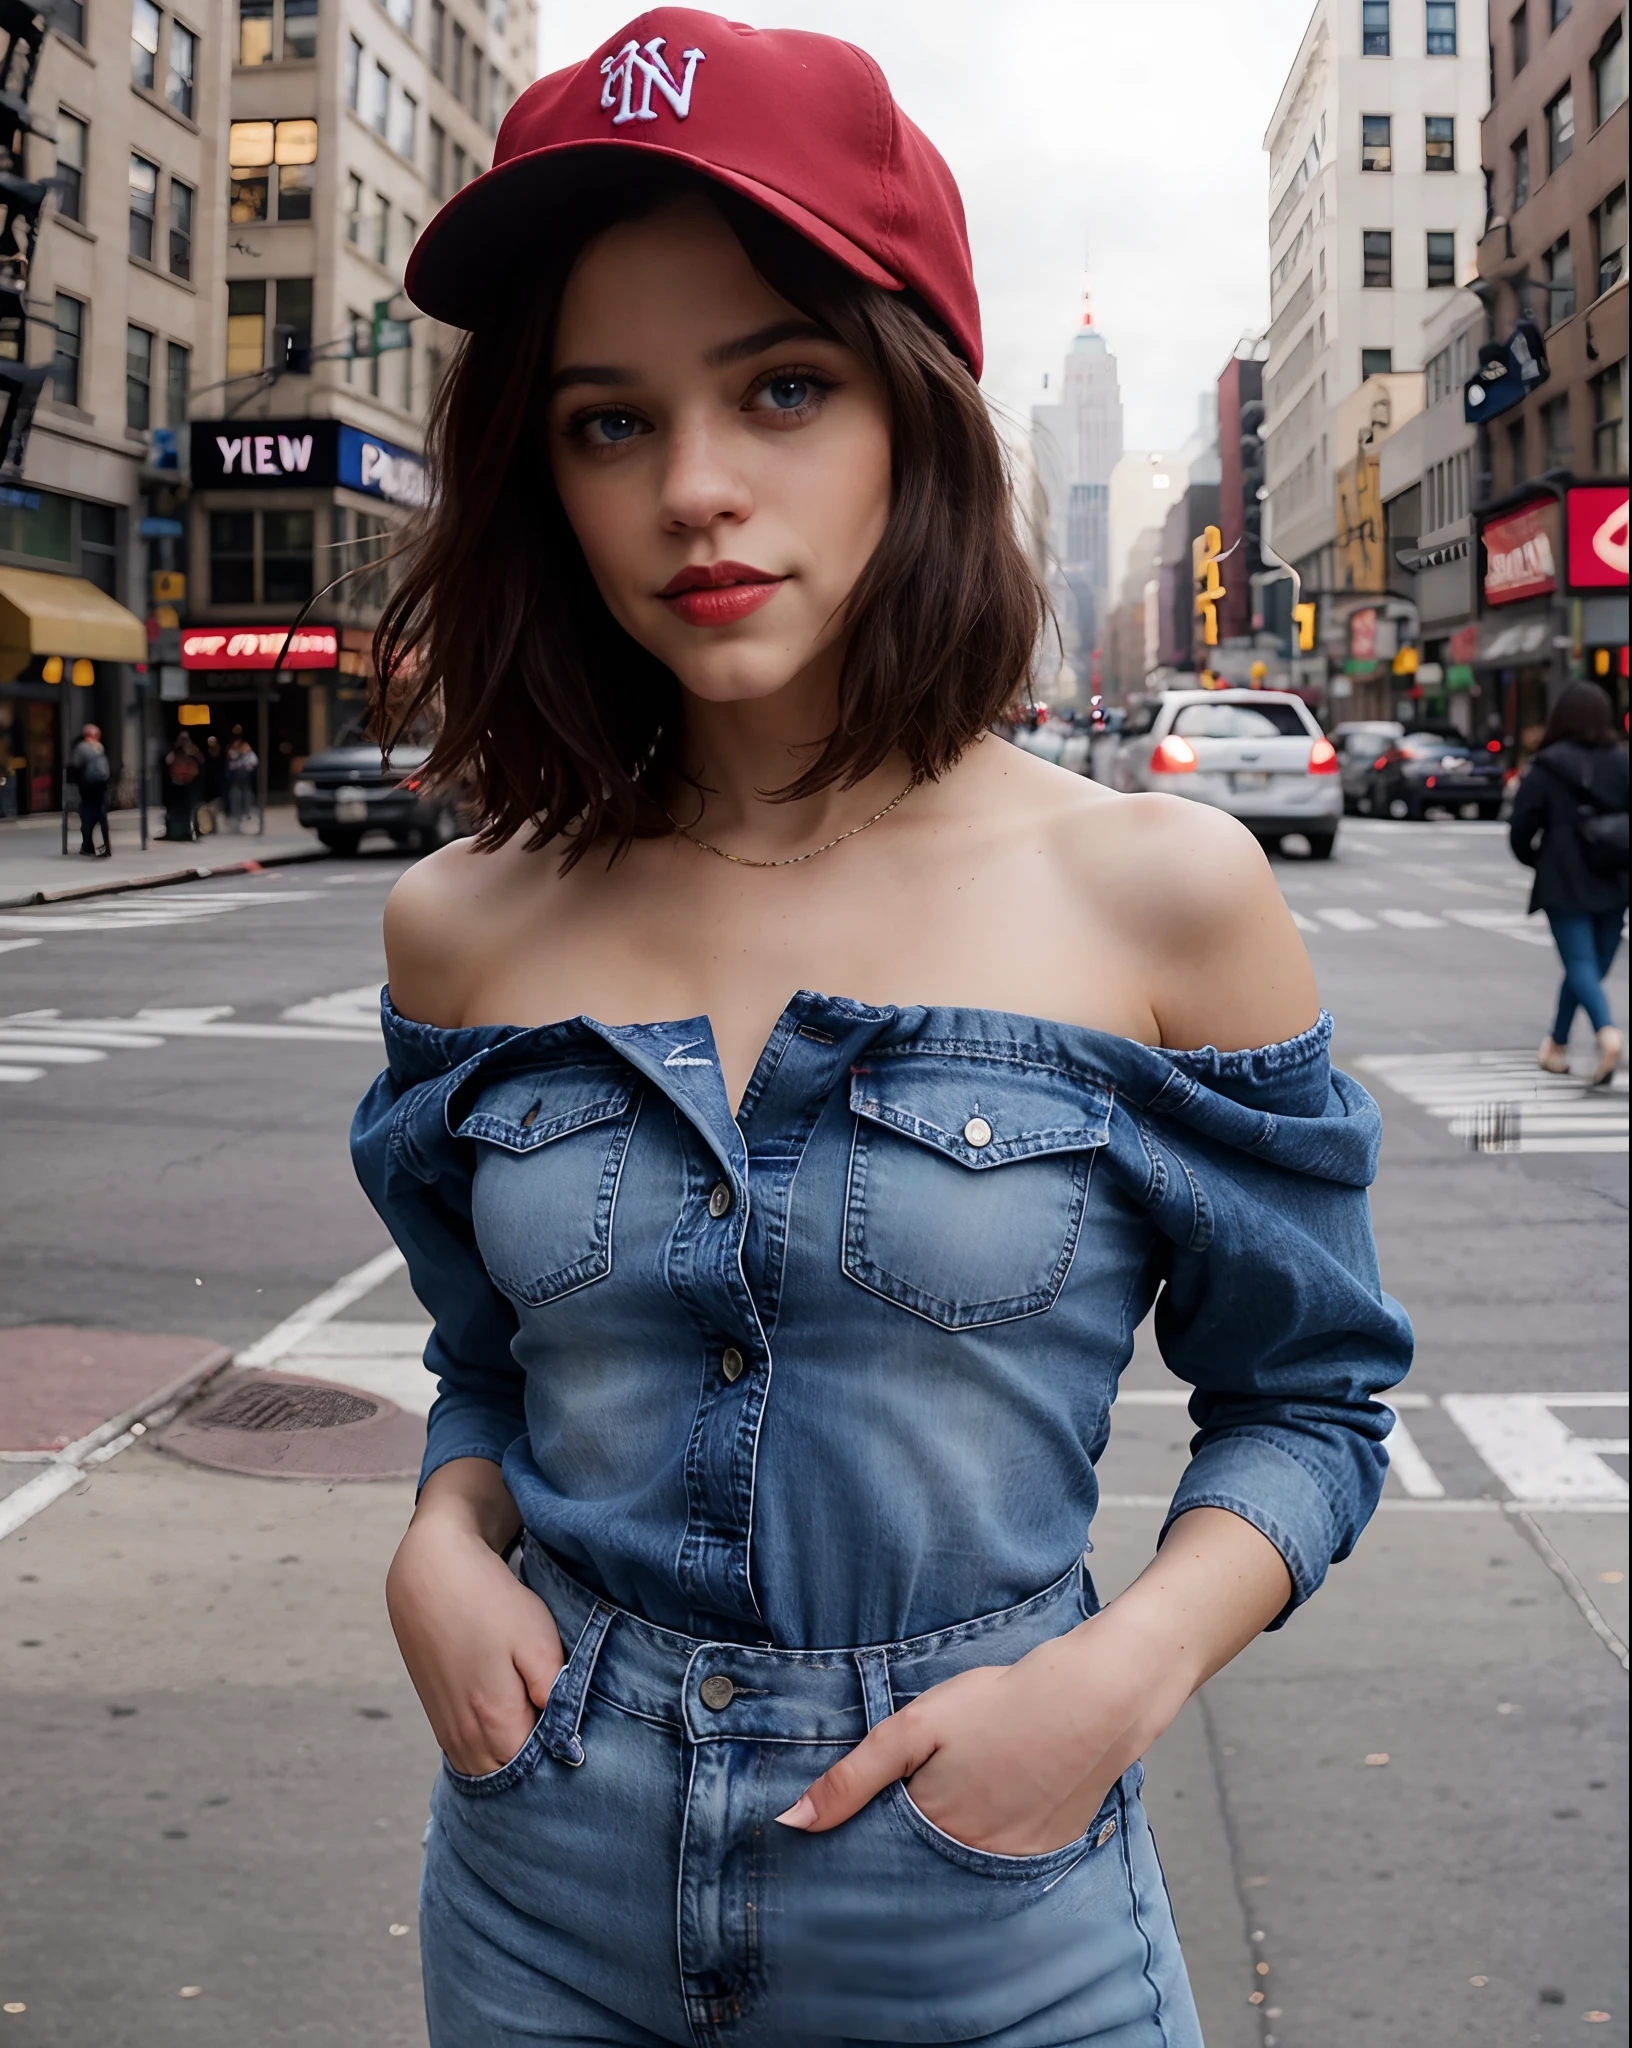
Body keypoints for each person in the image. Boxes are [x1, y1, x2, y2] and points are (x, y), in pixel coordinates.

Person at [351, 16, 1413, 2044]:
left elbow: (1315, 1403)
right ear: (538, 473)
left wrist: (1114, 1685)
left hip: (984, 1899)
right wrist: (439, 1528)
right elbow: (483, 1367)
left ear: (918, 412)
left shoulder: (1162, 892)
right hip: (539, 1879)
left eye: (782, 385)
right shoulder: (463, 924)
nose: (696, 487)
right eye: (605, 420)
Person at [1509, 680, 1629, 1086]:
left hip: (1563, 879)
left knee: (1581, 966)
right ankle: (1556, 1045)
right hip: (1616, 878)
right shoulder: (1622, 761)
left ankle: (1606, 1033)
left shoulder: (1546, 767)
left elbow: (1520, 830)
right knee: (1590, 968)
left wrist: (1539, 860)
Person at [67, 721, 111, 857]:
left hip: (88, 787)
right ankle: (105, 846)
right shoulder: (99, 747)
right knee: (101, 816)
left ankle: (88, 845)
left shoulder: (81, 747)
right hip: (101, 786)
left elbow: (75, 765)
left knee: (87, 816)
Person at [162, 731, 204, 841]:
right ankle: (176, 832)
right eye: (181, 739)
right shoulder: (174, 752)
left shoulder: (192, 751)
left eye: (185, 739)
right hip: (176, 785)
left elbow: (200, 762)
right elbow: (168, 762)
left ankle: (189, 832)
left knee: (190, 810)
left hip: (189, 784)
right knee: (176, 810)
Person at [224, 729, 259, 829]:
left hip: (245, 775)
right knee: (235, 793)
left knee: (247, 792)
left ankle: (247, 811)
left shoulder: (248, 752)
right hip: (235, 776)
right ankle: (235, 812)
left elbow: (254, 762)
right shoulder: (232, 752)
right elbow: (232, 763)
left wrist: (245, 755)